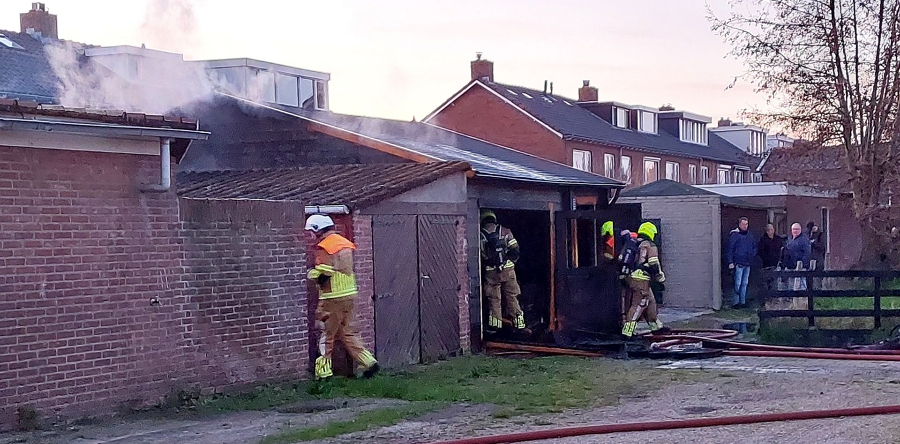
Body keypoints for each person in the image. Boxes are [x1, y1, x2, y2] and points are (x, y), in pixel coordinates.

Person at [305, 214, 379, 380]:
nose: (310, 235)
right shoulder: (343, 243)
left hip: (332, 296)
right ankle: (368, 362)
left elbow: (324, 273)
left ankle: (323, 373)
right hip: (349, 294)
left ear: (318, 229)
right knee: (347, 331)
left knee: (326, 332)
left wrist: (310, 274)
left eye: (311, 231)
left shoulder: (324, 247)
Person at [480, 210, 525, 331]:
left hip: (491, 272)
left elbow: (480, 255)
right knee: (512, 296)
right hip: (508, 270)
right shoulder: (506, 231)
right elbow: (515, 250)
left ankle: (495, 327)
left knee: (494, 299)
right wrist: (508, 262)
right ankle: (519, 324)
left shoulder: (480, 235)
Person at [621, 222, 666, 338]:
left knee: (650, 302)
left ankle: (656, 327)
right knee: (639, 304)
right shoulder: (650, 245)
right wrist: (660, 277)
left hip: (632, 278)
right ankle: (627, 332)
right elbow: (653, 263)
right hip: (641, 280)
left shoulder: (635, 243)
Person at [726, 217, 758, 309]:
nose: (745, 226)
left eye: (746, 224)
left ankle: (742, 302)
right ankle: (735, 302)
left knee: (745, 283)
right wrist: (730, 262)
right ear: (739, 224)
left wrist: (752, 255)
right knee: (737, 283)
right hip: (738, 263)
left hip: (747, 263)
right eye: (743, 224)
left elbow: (754, 246)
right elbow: (730, 249)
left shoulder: (750, 235)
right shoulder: (734, 235)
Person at [784, 222, 812, 291]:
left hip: (800, 266)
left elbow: (807, 253)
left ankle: (802, 300)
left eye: (797, 229)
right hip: (790, 266)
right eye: (794, 229)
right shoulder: (789, 239)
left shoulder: (804, 239)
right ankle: (792, 300)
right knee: (791, 285)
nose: (795, 231)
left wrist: (803, 264)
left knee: (801, 286)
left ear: (800, 230)